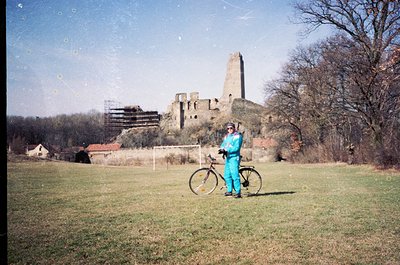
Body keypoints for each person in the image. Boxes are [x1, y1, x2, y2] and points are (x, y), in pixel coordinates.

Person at [219, 122, 243, 198]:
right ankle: (229, 191)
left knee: (235, 175)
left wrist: (227, 150)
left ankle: (238, 192)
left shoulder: (237, 136)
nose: (229, 130)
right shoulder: (227, 136)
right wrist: (221, 149)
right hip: (228, 158)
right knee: (227, 175)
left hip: (234, 157)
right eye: (228, 128)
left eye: (231, 128)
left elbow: (236, 147)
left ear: (234, 128)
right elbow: (223, 144)